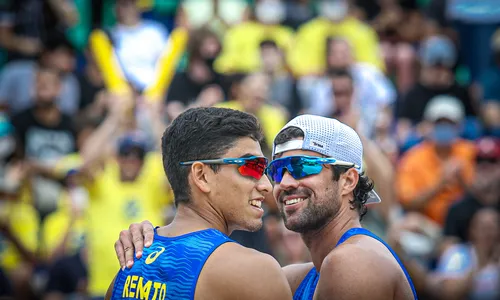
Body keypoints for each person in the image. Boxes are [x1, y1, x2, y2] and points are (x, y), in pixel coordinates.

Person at [114, 114, 418, 299]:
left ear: (349, 180)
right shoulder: (298, 276)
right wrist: (160, 240)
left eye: (302, 167)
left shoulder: (353, 264)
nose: (281, 183)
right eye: (277, 170)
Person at [105, 107, 291, 299]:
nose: (266, 185)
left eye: (264, 169)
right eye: (252, 167)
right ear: (201, 176)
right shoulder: (254, 271)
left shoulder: (127, 269)